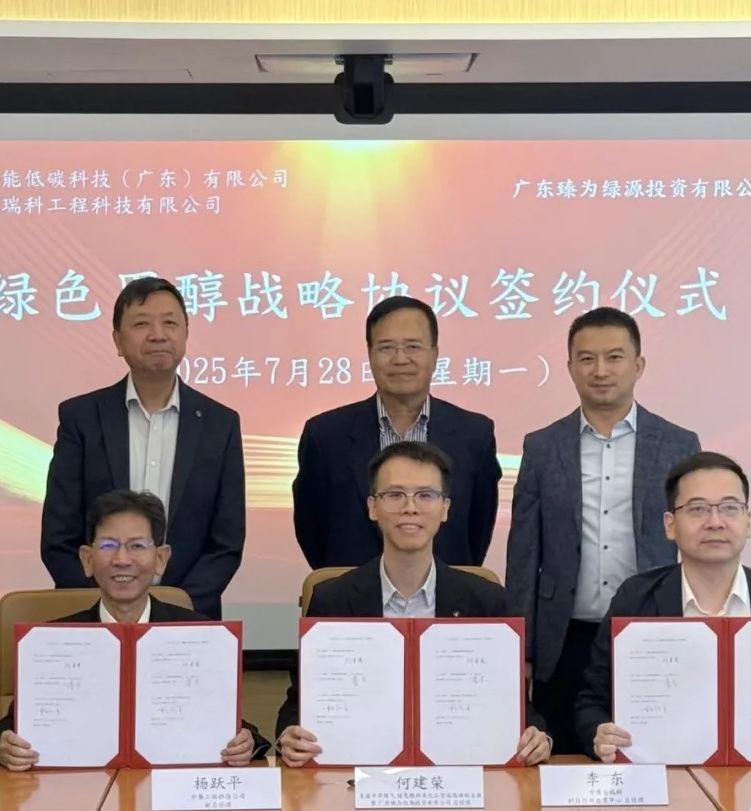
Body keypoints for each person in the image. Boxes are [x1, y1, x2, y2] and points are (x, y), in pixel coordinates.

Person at [277, 441, 551, 767]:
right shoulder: (332, 599)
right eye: (394, 495)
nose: (410, 508)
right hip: (357, 772)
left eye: (425, 495)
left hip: (460, 771)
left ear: (445, 508)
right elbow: (299, 704)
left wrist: (539, 736)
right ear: (372, 507)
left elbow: (516, 705)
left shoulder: (487, 601)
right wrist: (288, 735)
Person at [505, 307, 701, 753]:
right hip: (564, 637)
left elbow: (693, 544)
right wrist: (521, 648)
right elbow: (524, 555)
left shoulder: (678, 444)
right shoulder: (543, 446)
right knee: (562, 759)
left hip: (651, 633)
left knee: (650, 757)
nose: (600, 370)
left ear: (639, 364)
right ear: (570, 367)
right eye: (587, 358)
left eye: (614, 357)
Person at [575, 451, 751, 761]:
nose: (715, 522)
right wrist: (599, 734)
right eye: (697, 509)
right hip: (664, 775)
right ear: (670, 525)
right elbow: (592, 702)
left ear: (748, 521)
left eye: (730, 508)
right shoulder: (635, 600)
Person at [0, 489, 270, 770]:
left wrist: (244, 744)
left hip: (168, 790)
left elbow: (236, 729)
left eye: (137, 546)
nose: (122, 560)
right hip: (79, 790)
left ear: (161, 559)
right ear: (87, 560)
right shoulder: (53, 641)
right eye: (108, 545)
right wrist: (1, 748)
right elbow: (6, 732)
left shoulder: (202, 636)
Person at [40, 277, 244, 619]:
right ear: (118, 340)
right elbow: (59, 535)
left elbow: (226, 542)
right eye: (141, 324)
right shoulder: (82, 418)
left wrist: (174, 607)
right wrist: (109, 604)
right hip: (99, 618)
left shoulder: (219, 423)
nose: (157, 334)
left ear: (185, 334)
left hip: (187, 619)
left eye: (169, 323)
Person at [292, 296, 501, 569]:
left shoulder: (474, 435)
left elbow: (477, 531)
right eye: (386, 347)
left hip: (447, 592)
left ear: (435, 354)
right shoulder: (325, 436)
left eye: (413, 346)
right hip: (351, 592)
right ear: (370, 355)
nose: (400, 359)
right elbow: (312, 529)